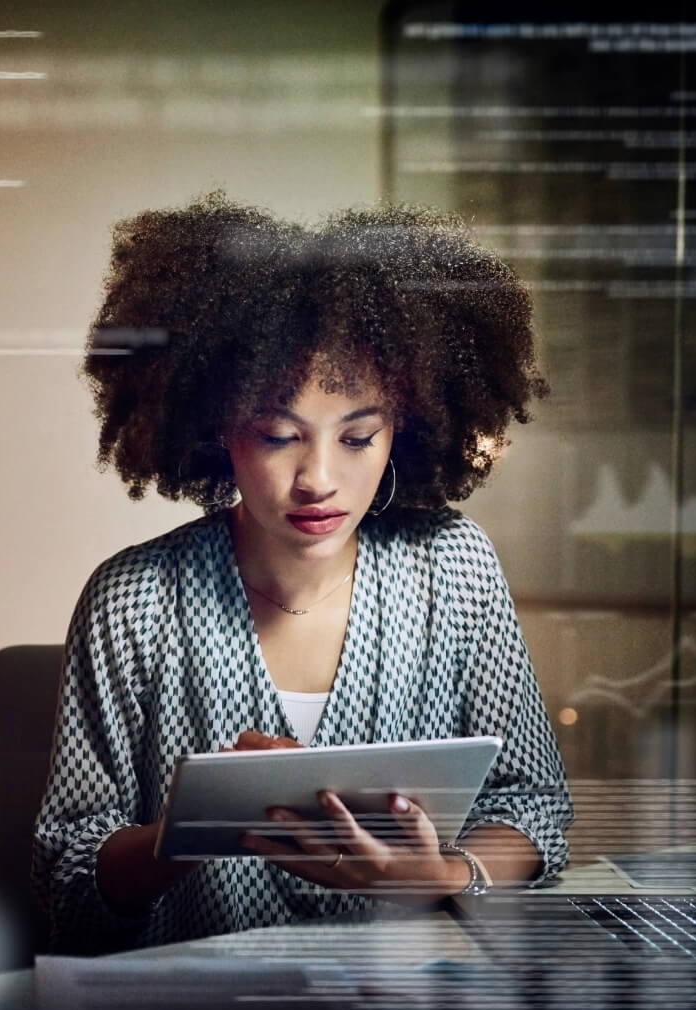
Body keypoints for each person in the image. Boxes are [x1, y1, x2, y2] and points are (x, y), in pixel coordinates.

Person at [32, 192, 573, 952]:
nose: (318, 478)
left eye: (358, 437)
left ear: (404, 432)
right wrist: (192, 826)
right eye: (280, 435)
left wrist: (446, 875)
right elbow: (70, 885)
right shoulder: (133, 601)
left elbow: (535, 806)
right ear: (220, 432)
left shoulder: (454, 568)